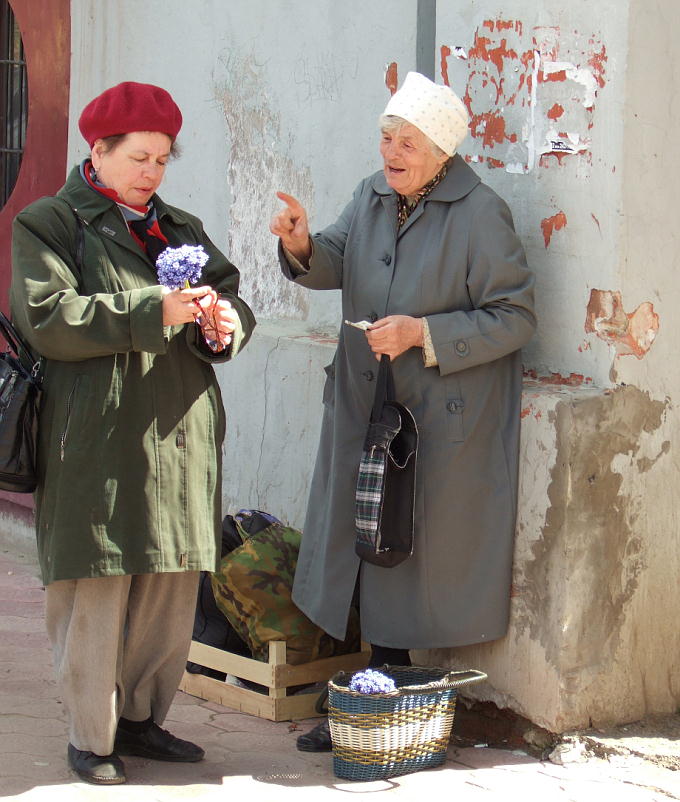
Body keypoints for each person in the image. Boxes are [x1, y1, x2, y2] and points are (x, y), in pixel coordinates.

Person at [270, 71, 536, 751]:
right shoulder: (370, 193)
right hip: (364, 403)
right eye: (387, 136)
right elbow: (333, 255)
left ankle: (377, 701)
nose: (391, 151)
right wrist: (300, 243)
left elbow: (515, 318)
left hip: (429, 420)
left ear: (442, 152)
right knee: (355, 547)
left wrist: (423, 334)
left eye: (407, 142)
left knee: (395, 549)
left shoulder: (480, 214)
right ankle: (363, 697)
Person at [10, 81, 255, 785]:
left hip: (179, 433)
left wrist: (226, 323)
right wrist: (158, 310)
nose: (152, 172)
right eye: (139, 157)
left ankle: (145, 720)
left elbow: (230, 291)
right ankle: (92, 737)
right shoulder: (51, 223)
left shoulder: (178, 226)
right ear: (99, 150)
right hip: (98, 436)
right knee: (97, 584)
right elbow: (50, 317)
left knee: (170, 581)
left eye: (163, 159)